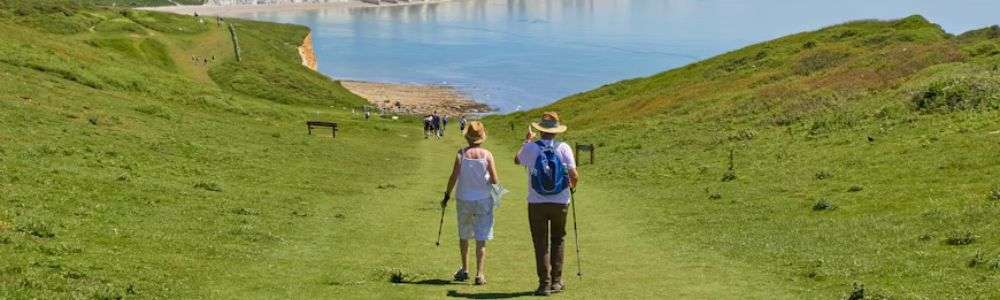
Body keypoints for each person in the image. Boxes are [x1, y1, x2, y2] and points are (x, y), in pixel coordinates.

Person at [514, 112, 579, 296]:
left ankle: (544, 285)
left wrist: (527, 141)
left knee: (540, 243)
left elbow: (517, 160)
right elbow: (574, 175)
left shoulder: (531, 147)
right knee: (558, 239)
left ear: (540, 130)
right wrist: (571, 188)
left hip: (536, 202)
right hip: (560, 201)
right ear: (556, 131)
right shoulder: (564, 148)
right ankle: (556, 282)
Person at [442, 121, 499, 286]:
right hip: (483, 199)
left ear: (467, 137)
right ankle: (480, 274)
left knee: (464, 234)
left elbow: (453, 177)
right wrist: (493, 190)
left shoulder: (461, 154)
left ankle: (465, 269)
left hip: (464, 199)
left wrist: (447, 195)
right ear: (482, 138)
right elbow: (495, 180)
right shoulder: (487, 155)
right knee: (481, 237)